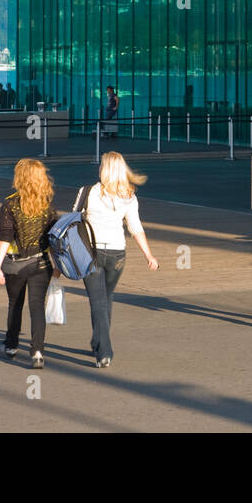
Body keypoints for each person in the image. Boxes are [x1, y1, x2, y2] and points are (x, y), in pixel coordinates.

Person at [81, 152, 159, 368]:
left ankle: (104, 350)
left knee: (97, 301)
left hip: (92, 252)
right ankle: (98, 341)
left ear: (104, 169)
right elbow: (135, 228)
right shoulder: (129, 196)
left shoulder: (88, 192)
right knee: (107, 297)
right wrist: (149, 255)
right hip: (117, 253)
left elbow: (74, 221)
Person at [0, 159, 60, 369]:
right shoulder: (47, 205)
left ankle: (12, 346)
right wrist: (57, 264)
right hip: (42, 262)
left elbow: (6, 236)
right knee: (37, 306)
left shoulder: (10, 204)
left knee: (15, 304)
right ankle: (38, 351)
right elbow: (54, 238)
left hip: (16, 264)